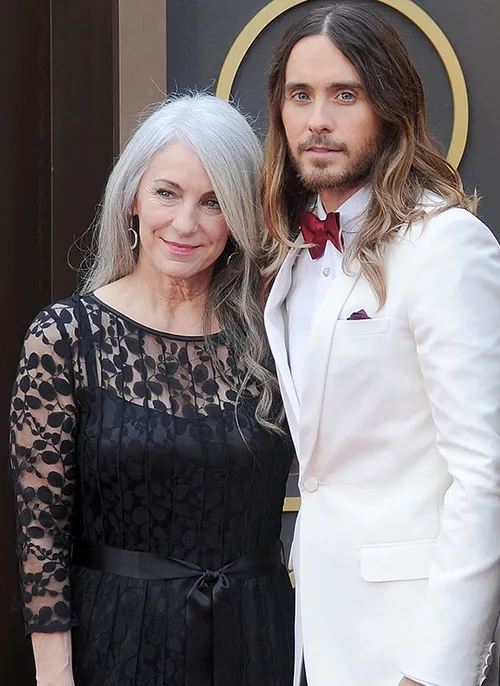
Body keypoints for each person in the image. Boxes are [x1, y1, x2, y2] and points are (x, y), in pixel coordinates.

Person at [260, 4, 500, 686]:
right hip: (315, 633)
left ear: (390, 108)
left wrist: (435, 672)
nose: (318, 120)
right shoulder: (290, 254)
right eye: (300, 95)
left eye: (345, 95)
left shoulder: (446, 245)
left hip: (409, 644)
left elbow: (480, 480)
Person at [10, 93, 295, 686]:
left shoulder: (277, 336)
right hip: (115, 648)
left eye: (213, 202)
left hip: (255, 644)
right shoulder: (66, 337)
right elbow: (42, 537)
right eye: (168, 193)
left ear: (241, 216)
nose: (186, 224)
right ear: (132, 197)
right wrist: (54, 678)